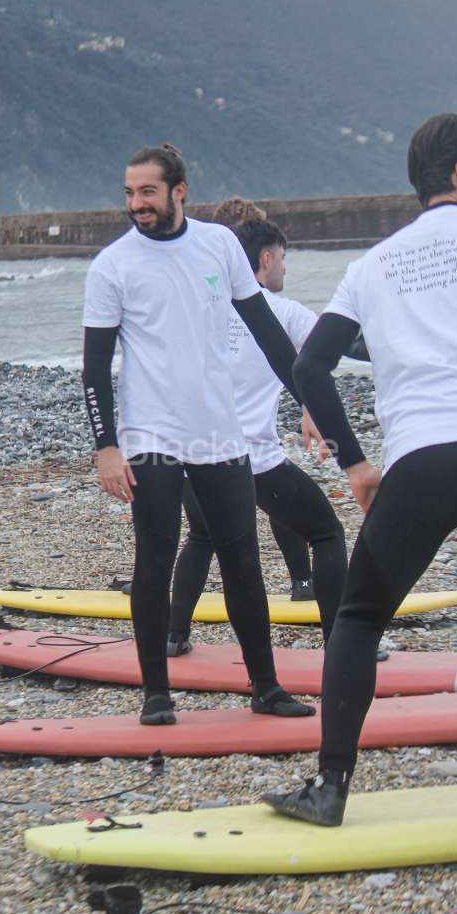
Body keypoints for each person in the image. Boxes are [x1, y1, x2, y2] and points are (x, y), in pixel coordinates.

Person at [263, 112, 457, 826]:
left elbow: (311, 367)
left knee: (360, 616)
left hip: (424, 458)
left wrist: (356, 464)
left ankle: (331, 788)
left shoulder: (371, 265)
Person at [82, 144, 315, 725]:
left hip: (219, 432)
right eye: (130, 193)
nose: (136, 203)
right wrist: (106, 446)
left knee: (242, 560)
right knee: (155, 558)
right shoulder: (113, 265)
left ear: (179, 190)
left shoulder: (219, 245)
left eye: (148, 192)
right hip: (151, 435)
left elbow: (266, 331)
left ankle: (266, 688)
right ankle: (156, 694)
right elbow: (95, 366)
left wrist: (308, 396)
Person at [167, 199, 348, 656]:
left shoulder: (200, 309)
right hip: (252, 460)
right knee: (327, 532)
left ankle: (173, 636)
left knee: (201, 537)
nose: (285, 267)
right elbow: (337, 347)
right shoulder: (281, 311)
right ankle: (341, 641)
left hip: (192, 454)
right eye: (283, 258)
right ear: (265, 259)